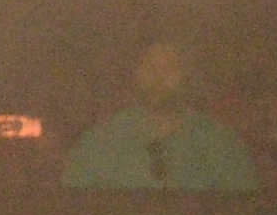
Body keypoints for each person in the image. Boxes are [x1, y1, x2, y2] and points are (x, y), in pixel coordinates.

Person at [60, 36, 259, 197]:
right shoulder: (101, 142)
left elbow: (244, 213)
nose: (158, 78)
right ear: (136, 74)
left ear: (186, 75)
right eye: (150, 68)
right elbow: (73, 210)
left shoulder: (220, 144)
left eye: (169, 68)